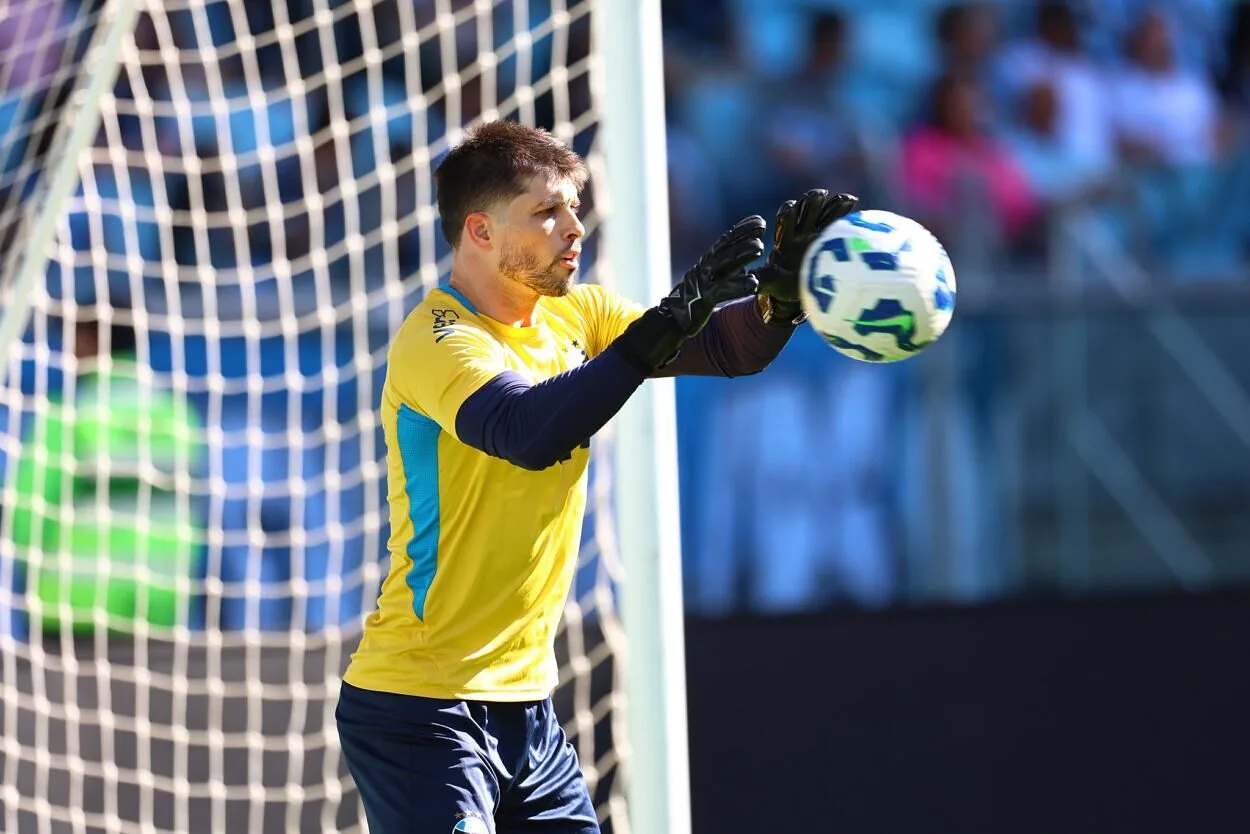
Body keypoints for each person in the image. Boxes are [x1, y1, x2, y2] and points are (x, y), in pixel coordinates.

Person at [335, 119, 856, 833]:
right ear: (480, 233)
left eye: (575, 207)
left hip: (529, 710)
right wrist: (652, 335)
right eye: (547, 212)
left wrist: (782, 301)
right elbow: (528, 432)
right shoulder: (438, 340)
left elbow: (729, 350)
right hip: (419, 708)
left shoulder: (576, 315)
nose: (572, 227)